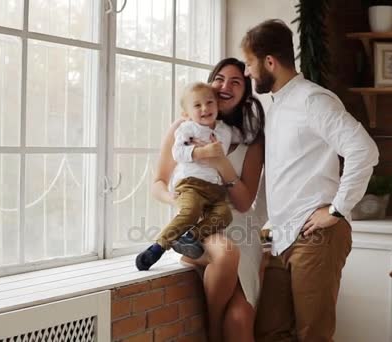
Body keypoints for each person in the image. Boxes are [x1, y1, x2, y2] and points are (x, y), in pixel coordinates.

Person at [242, 20, 379, 342]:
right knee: (269, 331)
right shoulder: (276, 107)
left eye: (249, 64)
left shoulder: (313, 100)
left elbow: (364, 150)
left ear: (270, 62)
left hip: (316, 235)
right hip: (281, 237)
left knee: (312, 334)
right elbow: (281, 174)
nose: (248, 73)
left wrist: (336, 210)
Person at [151, 58, 266, 342]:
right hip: (199, 225)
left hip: (239, 228)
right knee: (225, 254)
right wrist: (175, 200)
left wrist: (220, 162)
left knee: (240, 319)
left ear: (245, 92)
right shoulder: (184, 127)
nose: (225, 86)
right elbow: (158, 182)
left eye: (236, 82)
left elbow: (242, 203)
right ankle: (212, 331)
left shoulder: (252, 140)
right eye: (220, 79)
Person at [136, 83, 240, 271]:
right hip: (191, 184)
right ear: (186, 113)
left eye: (209, 103)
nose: (205, 108)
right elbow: (177, 153)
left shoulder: (225, 130)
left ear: (217, 104)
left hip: (215, 189)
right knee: (190, 212)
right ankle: (157, 247)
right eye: (197, 106)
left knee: (225, 215)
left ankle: (191, 237)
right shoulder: (187, 128)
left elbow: (246, 136)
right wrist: (203, 152)